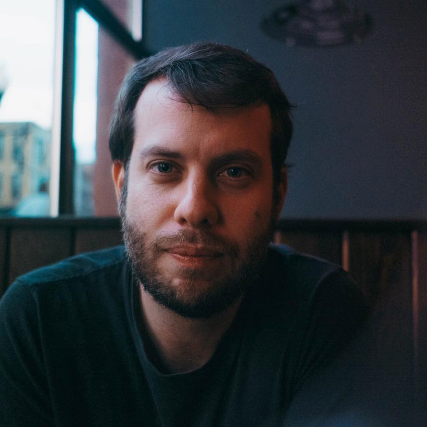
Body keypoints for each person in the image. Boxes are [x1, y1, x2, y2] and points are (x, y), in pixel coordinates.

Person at [0, 42, 368, 426]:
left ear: (278, 195)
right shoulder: (39, 319)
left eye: (234, 172)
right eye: (164, 167)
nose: (194, 209)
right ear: (122, 185)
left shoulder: (324, 313)